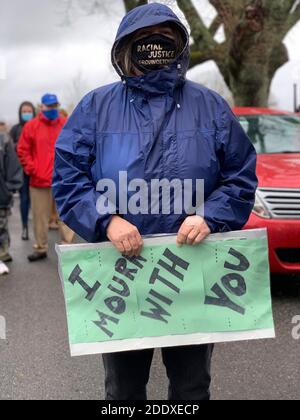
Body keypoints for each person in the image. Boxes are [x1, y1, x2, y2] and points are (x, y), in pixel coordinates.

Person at [53, 3, 258, 401]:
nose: (155, 48)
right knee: (124, 388)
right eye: (145, 40)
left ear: (179, 46)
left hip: (192, 272)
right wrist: (105, 220)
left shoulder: (211, 106)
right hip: (119, 273)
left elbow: (240, 175)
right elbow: (67, 176)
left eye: (166, 39)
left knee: (192, 385)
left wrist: (211, 217)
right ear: (127, 48)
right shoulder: (96, 108)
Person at [17, 94, 74, 263]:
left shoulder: (65, 123)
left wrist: (70, 170)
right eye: (49, 106)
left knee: (66, 215)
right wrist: (32, 169)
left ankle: (69, 247)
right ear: (42, 107)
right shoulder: (31, 126)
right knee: (40, 217)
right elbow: (22, 150)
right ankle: (40, 248)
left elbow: (74, 145)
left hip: (62, 179)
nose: (52, 109)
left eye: (54, 106)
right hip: (39, 181)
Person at [10, 101, 36, 240]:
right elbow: (10, 150)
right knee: (24, 199)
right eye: (24, 111)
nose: (27, 113)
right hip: (22, 171)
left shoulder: (38, 126)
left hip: (36, 170)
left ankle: (39, 228)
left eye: (29, 111)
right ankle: (25, 226)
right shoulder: (15, 129)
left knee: (37, 201)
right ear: (20, 113)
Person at [0, 121, 23, 275]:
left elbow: (13, 166)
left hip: (1, 194)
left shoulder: (4, 140)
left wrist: (8, 189)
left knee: (1, 225)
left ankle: (2, 252)